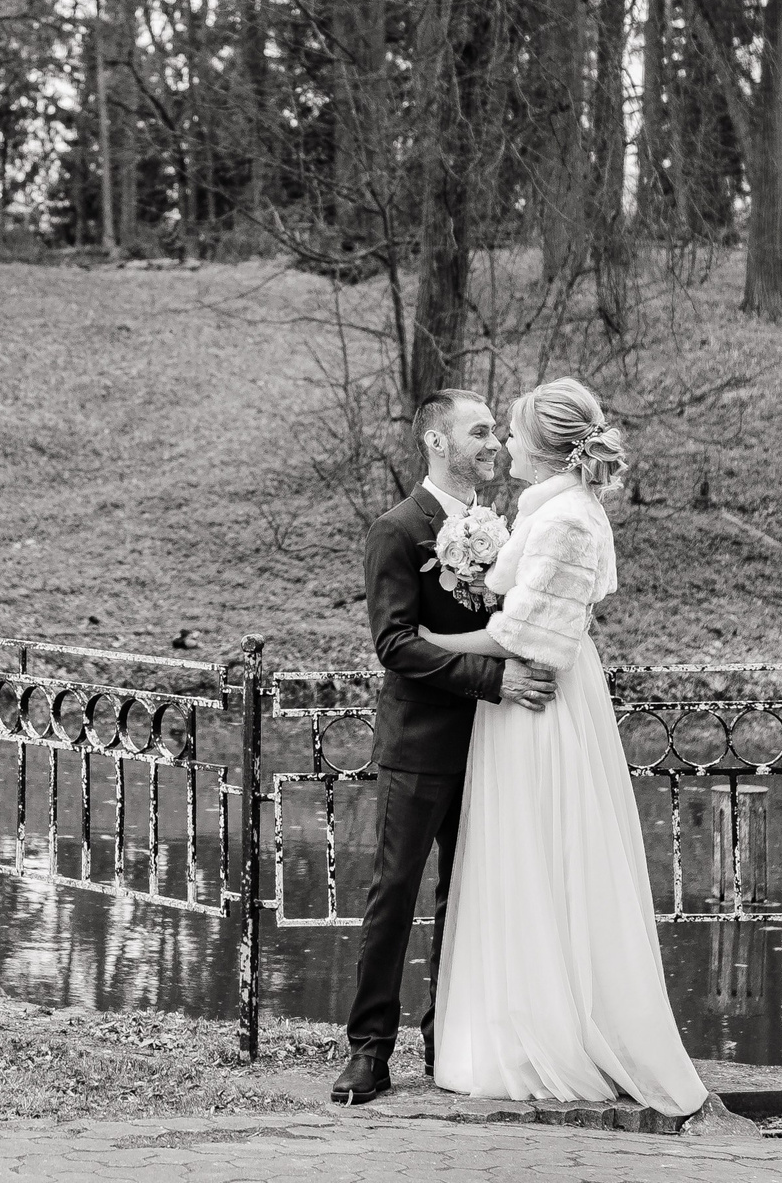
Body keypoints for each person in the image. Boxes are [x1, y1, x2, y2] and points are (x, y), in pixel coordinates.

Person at [423, 378, 707, 1118]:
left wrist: (429, 642)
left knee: (541, 855)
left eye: (513, 433)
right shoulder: (548, 510)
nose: (506, 445)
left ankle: (552, 1037)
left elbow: (522, 638)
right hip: (527, 696)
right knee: (521, 858)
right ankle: (517, 1023)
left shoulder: (567, 521)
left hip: (540, 706)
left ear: (544, 449)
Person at [329, 389, 558, 1107]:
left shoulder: (500, 526)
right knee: (393, 896)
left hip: (495, 747)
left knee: (470, 898)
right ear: (436, 442)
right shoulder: (397, 531)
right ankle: (369, 1050)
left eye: (495, 432)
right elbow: (397, 646)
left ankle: (449, 1039)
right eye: (478, 432)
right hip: (421, 743)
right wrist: (494, 679)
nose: (492, 444)